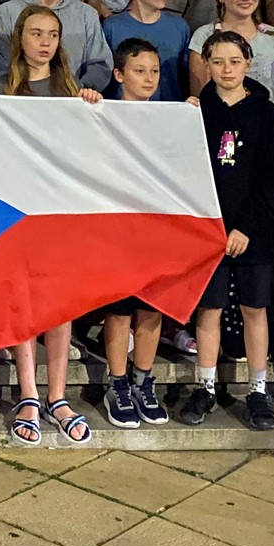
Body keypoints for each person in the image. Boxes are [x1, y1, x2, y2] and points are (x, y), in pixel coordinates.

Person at [179, 30, 274, 431]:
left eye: (235, 61)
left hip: (252, 230)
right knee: (209, 308)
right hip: (208, 230)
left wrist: (245, 228)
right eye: (218, 62)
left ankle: (258, 390)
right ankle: (205, 386)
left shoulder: (265, 113)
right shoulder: (195, 111)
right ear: (206, 65)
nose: (227, 69)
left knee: (254, 308)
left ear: (249, 64)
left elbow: (272, 177)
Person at [2, 4, 99, 446]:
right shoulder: (2, 89)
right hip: (18, 210)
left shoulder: (73, 91)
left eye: (53, 34)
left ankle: (57, 397)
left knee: (60, 305)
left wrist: (93, 111)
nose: (44, 42)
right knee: (24, 302)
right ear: (20, 37)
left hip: (61, 211)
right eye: (36, 33)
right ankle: (28, 394)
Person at [98, 38, 174, 430]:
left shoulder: (170, 118)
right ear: (119, 74)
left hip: (156, 229)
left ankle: (143, 380)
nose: (148, 78)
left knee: (151, 306)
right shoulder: (103, 114)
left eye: (155, 71)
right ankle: (117, 384)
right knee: (120, 309)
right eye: (139, 71)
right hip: (117, 230)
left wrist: (188, 118)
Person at [103, 0, 191, 101]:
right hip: (123, 110)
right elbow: (107, 75)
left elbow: (184, 75)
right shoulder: (112, 27)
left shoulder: (179, 27)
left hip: (169, 109)